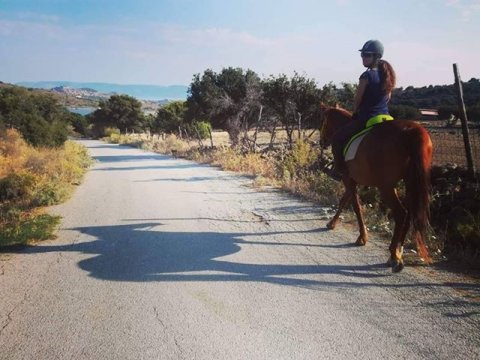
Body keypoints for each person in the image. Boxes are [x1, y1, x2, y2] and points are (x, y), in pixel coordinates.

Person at [331, 39, 397, 177]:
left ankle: (338, 171)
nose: (363, 58)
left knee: (337, 138)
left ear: (376, 57)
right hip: (386, 117)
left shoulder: (366, 76)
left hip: (367, 118)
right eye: (362, 55)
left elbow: (358, 99)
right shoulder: (387, 76)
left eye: (367, 55)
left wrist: (355, 112)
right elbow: (388, 98)